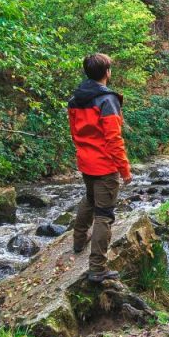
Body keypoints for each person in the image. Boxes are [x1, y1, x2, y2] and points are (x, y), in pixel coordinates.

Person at [67, 52, 133, 283]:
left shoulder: (76, 99)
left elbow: (75, 132)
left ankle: (78, 241)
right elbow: (114, 139)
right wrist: (124, 170)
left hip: (85, 160)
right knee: (104, 215)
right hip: (104, 165)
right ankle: (97, 268)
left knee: (89, 199)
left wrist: (83, 153)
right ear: (107, 73)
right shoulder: (107, 100)